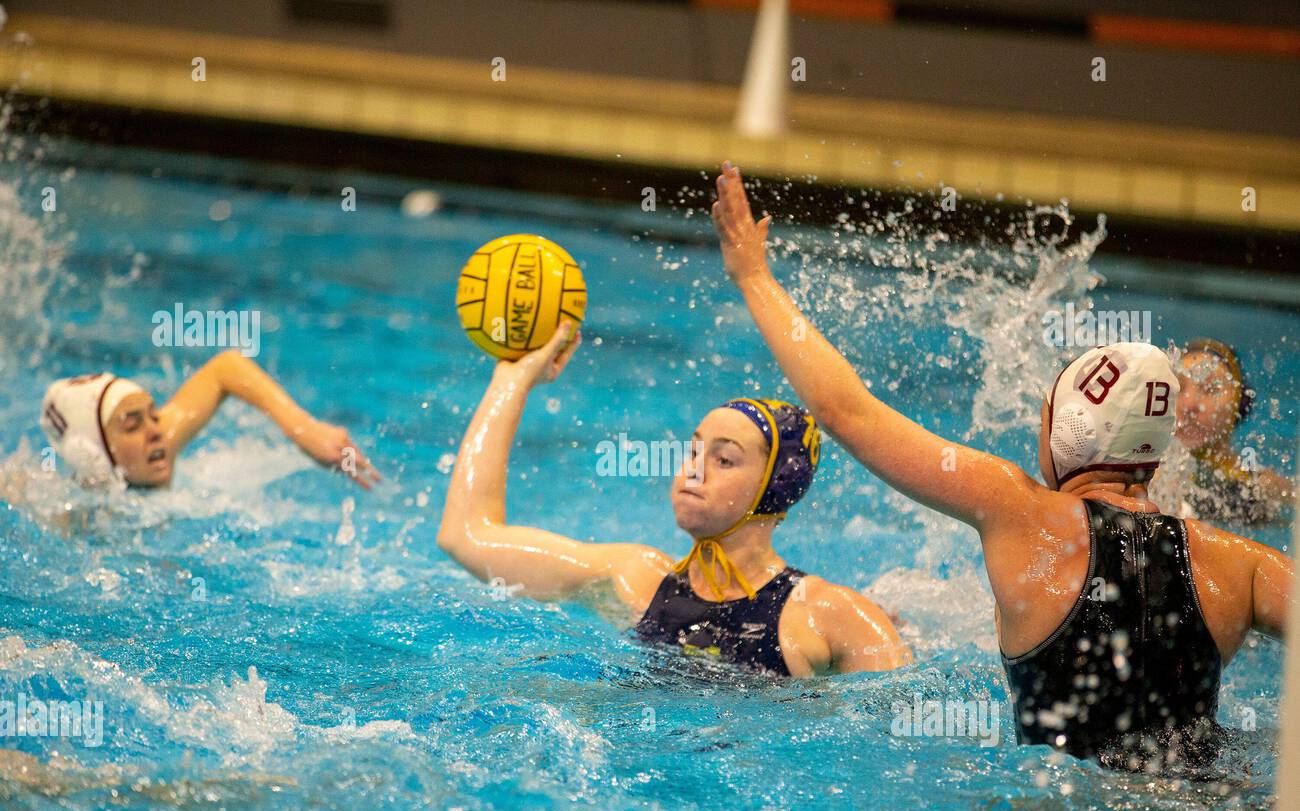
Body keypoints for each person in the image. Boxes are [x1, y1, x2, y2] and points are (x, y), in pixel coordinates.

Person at [711, 160, 1293, 767]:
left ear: (1066, 431)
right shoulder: (1242, 565)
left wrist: (753, 276)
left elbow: (846, 413)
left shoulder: (1018, 513)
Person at [435, 320, 911, 678]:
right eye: (693, 450)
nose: (693, 468)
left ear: (775, 488)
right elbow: (466, 535)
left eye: (724, 460)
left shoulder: (831, 616)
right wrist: (511, 380)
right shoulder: (632, 579)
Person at [37, 350, 380, 490]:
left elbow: (225, 368)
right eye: (132, 425)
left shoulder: (156, 444)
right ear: (91, 452)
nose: (156, 432)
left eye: (153, 415)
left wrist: (302, 427)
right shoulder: (64, 516)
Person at [1151, 337, 1294, 525]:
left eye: (1210, 389)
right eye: (1180, 387)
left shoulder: (1263, 488)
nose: (1189, 405)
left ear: (1239, 405)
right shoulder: (1143, 474)